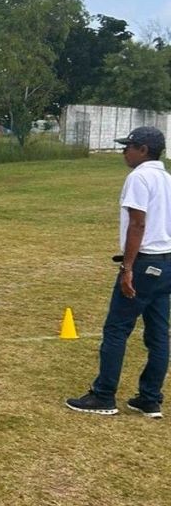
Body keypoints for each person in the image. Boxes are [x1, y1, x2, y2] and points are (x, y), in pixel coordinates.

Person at [66, 126, 171, 419]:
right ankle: (150, 399)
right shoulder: (167, 178)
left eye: (130, 146)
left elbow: (138, 224)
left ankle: (103, 395)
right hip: (166, 263)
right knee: (159, 333)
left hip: (144, 262)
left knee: (117, 328)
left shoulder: (139, 177)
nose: (124, 151)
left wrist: (127, 268)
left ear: (144, 150)